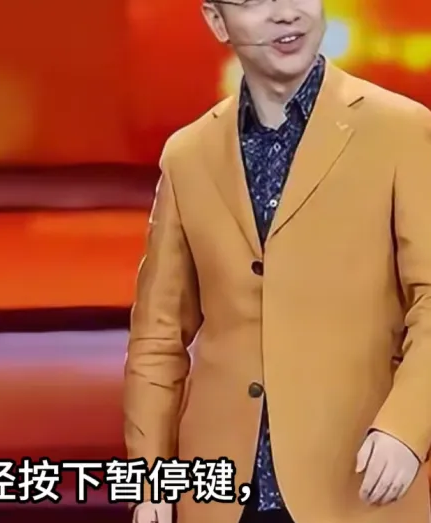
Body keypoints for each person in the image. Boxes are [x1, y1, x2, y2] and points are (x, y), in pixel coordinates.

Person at [124, 1, 431, 523]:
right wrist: (150, 479)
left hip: (357, 484)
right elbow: (158, 337)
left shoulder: (400, 130)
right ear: (217, 21)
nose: (286, 13)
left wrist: (406, 427)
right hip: (220, 494)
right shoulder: (188, 155)